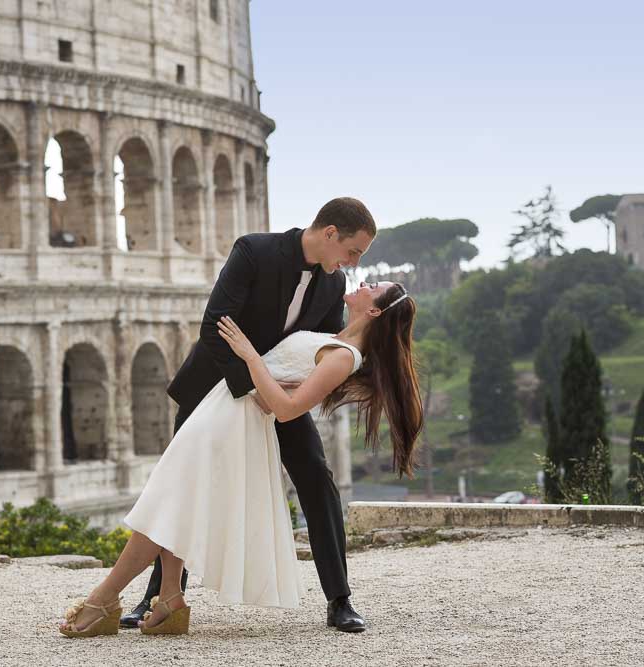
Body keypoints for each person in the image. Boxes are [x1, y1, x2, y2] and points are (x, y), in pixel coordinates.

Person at [58, 198, 423, 637]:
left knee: (316, 477)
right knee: (180, 492)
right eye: (354, 250)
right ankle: (160, 596)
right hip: (221, 389)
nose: (354, 262)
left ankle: (339, 598)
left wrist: (279, 391)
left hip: (272, 396)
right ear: (330, 234)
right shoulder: (255, 250)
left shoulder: (334, 284)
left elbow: (327, 353)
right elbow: (214, 326)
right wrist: (254, 383)